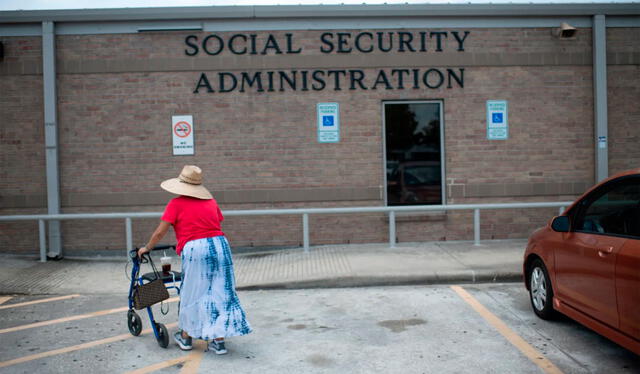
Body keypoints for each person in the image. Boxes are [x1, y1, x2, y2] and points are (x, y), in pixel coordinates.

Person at [137, 165, 252, 354]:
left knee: (192, 292)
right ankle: (219, 341)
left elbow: (160, 232)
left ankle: (185, 338)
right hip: (220, 245)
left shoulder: (176, 203)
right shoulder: (211, 202)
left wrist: (147, 248)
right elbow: (215, 223)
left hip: (196, 248)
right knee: (220, 292)